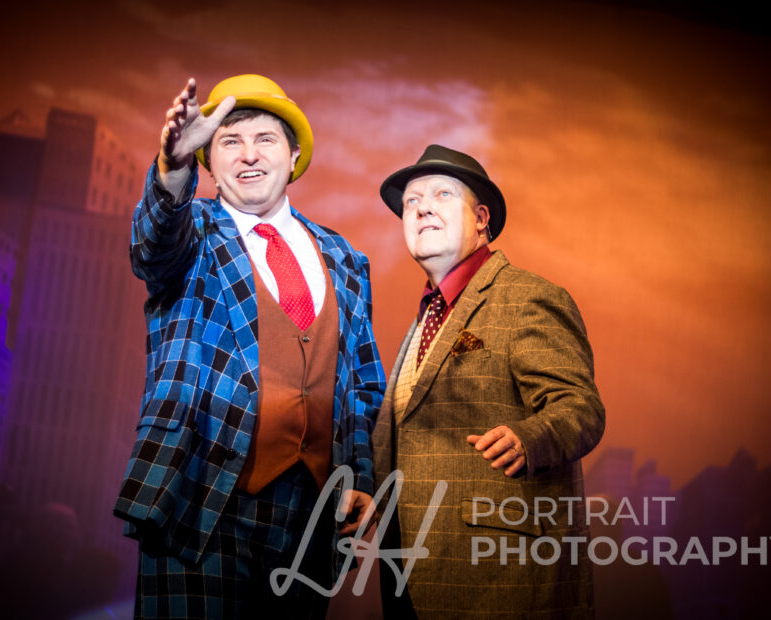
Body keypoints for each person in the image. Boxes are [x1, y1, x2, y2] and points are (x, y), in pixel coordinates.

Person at [113, 74, 385, 619]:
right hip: (199, 497)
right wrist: (172, 168)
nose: (248, 155)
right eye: (229, 142)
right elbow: (152, 246)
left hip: (310, 518)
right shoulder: (192, 230)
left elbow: (361, 385)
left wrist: (360, 476)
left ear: (294, 154)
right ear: (208, 161)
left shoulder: (346, 258)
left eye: (265, 139)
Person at [372, 145, 605, 618]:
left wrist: (530, 436)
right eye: (411, 202)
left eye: (440, 194)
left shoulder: (527, 297)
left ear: (481, 219)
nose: (422, 208)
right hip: (411, 579)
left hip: (502, 581)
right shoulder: (425, 321)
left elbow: (580, 407)